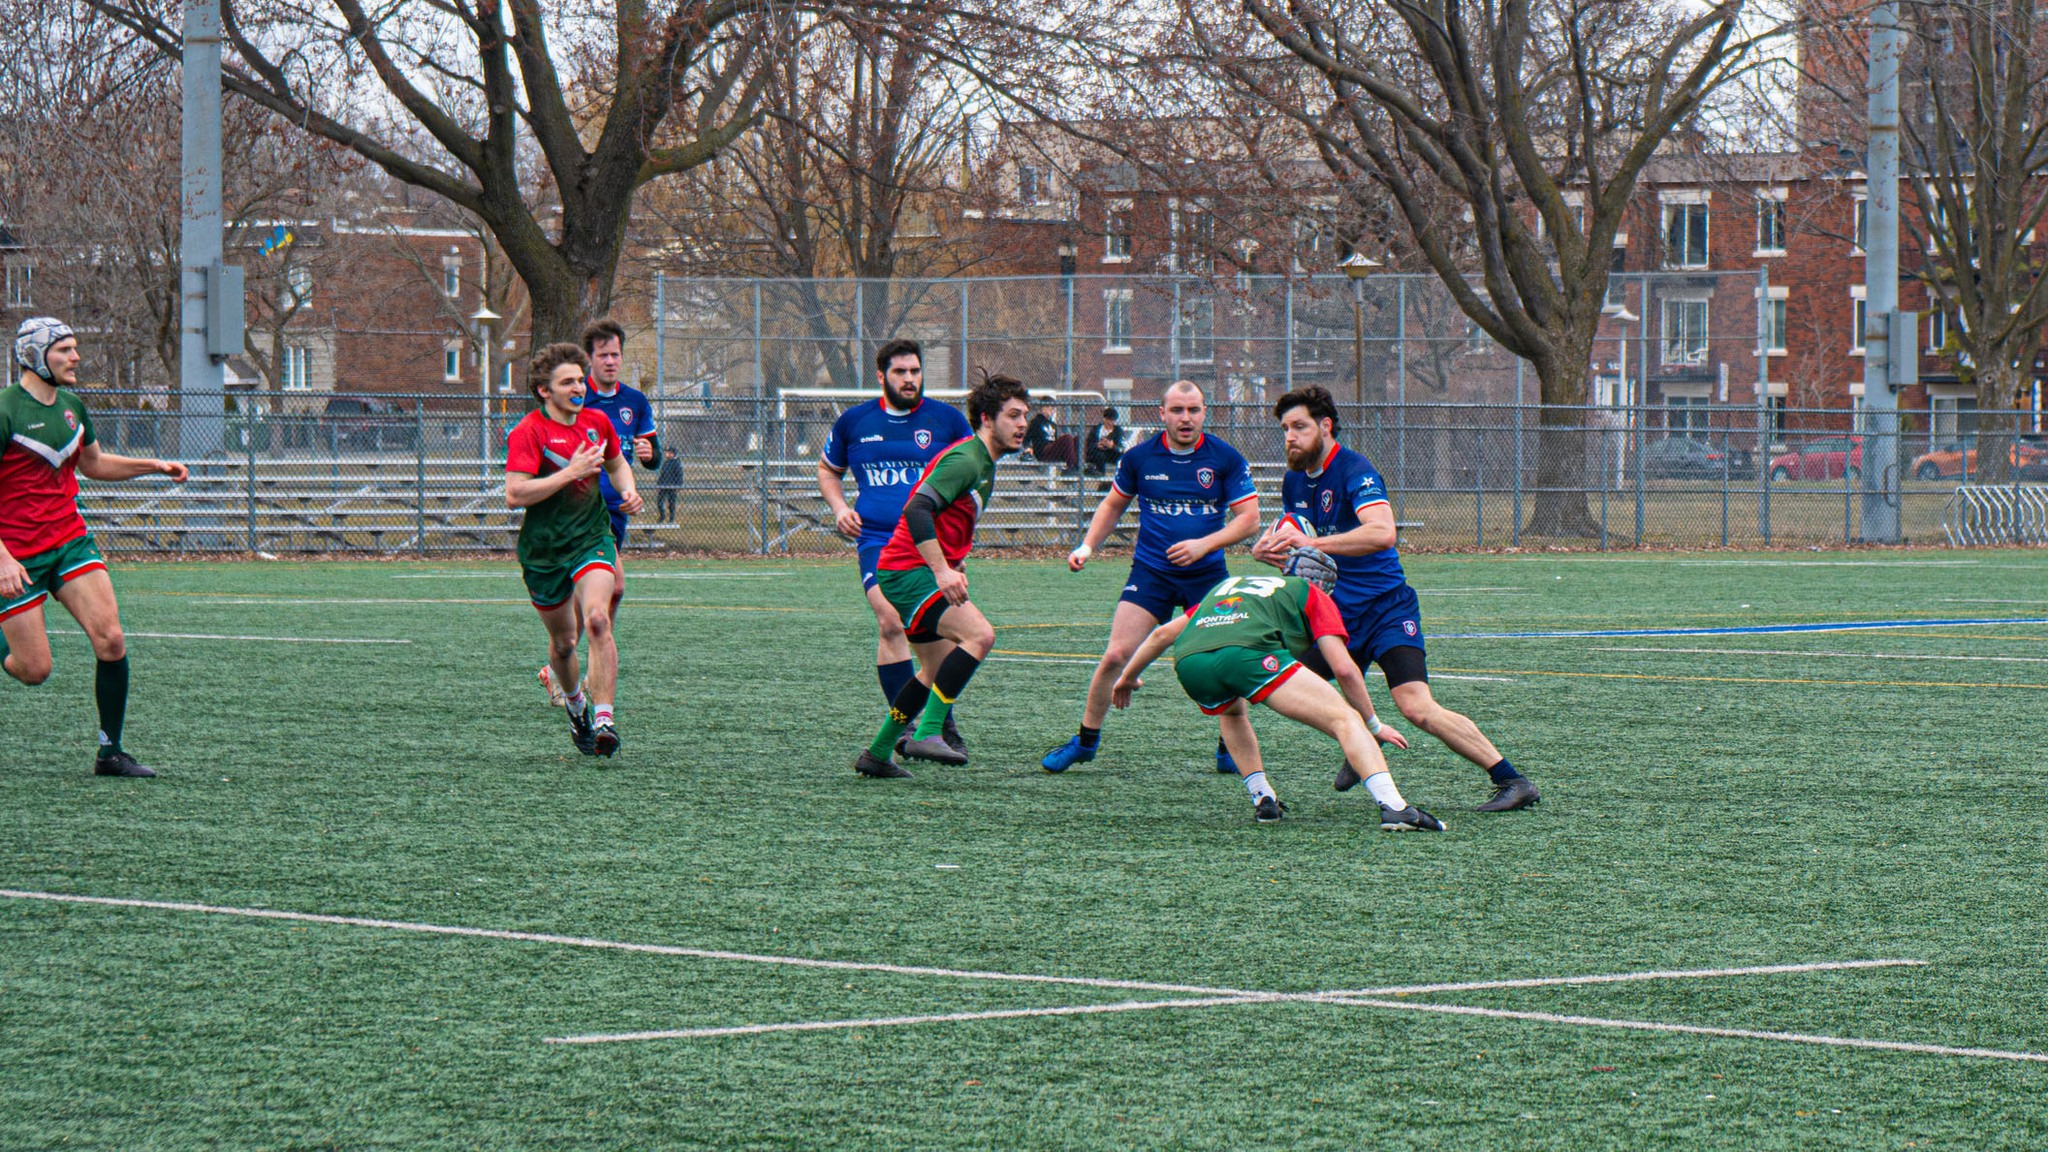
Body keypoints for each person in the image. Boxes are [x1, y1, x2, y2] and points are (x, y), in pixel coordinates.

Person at [1252, 386, 1539, 811]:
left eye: (1299, 427)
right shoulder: (1294, 479)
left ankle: (1513, 781)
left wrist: (1314, 546)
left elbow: (1383, 532)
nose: (1290, 437)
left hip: (1387, 608)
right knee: (1281, 682)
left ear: (1325, 426)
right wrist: (1270, 551)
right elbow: (1302, 545)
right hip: (1337, 612)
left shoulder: (1355, 470)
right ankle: (1356, 740)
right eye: (1285, 429)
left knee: (1416, 707)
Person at [1042, 381, 1272, 775]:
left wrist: (1204, 544)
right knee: (1116, 654)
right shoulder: (1139, 458)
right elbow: (1113, 505)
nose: (1186, 418)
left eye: (1194, 410)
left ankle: (1227, 748)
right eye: (1178, 410)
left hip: (1207, 576)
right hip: (1151, 572)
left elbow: (1249, 519)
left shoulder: (1225, 458)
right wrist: (1087, 546)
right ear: (1161, 413)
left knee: (1226, 661)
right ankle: (1084, 741)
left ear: (1204, 412)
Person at [0, 317, 188, 777]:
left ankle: (111, 752)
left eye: (74, 348)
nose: (76, 357)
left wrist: (154, 465)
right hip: (15, 553)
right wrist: (2, 557)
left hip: (68, 541)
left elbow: (95, 464)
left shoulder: (72, 406)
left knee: (112, 639)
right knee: (34, 669)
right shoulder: (5, 409)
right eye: (64, 348)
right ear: (33, 356)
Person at [1111, 570, 1442, 830]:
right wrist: (1373, 723)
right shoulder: (1312, 593)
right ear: (1324, 583)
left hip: (1190, 663)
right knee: (1347, 719)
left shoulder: (1230, 586)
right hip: (1248, 655)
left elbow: (1161, 635)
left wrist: (1127, 677)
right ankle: (1394, 807)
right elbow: (1344, 669)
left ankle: (1263, 798)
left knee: (1232, 713)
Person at [853, 371, 1032, 779]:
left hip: (911, 570)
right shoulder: (967, 458)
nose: (1023, 424)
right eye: (1013, 415)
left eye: (1025, 415)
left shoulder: (984, 462)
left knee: (933, 668)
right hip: (907, 571)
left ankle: (879, 753)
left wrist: (952, 560)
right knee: (980, 635)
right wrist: (940, 569)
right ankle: (929, 730)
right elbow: (917, 509)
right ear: (987, 419)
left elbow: (946, 516)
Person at [818, 339, 974, 755]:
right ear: (881, 375)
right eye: (901, 372)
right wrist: (839, 507)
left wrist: (955, 553)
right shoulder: (854, 422)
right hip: (877, 541)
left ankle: (939, 722)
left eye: (916, 371)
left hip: (930, 545)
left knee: (933, 632)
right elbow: (828, 470)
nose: (910, 379)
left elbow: (968, 481)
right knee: (891, 622)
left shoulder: (947, 421)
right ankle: (904, 727)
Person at [506, 342, 643, 759]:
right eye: (568, 382)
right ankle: (575, 705)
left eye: (581, 380)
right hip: (544, 550)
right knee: (565, 643)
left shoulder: (597, 422)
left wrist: (629, 489)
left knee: (599, 619)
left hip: (591, 537)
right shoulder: (529, 431)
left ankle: (605, 719)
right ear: (543, 390)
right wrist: (570, 473)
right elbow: (515, 494)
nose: (579, 387)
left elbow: (617, 463)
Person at [538, 318, 657, 708]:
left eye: (616, 354)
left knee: (604, 597)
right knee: (609, 590)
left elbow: (652, 456)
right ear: (590, 360)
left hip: (615, 514)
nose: (611, 361)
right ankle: (578, 668)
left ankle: (562, 667)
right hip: (579, 514)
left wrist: (648, 458)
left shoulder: (635, 402)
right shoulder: (573, 397)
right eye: (603, 355)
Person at [1023, 397, 1077, 469]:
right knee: (1068, 437)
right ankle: (1071, 467)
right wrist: (1028, 448)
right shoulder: (1036, 422)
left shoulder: (1053, 424)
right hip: (1043, 452)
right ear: (1043, 408)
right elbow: (1026, 438)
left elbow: (1055, 439)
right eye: (1050, 407)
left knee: (1077, 439)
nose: (1053, 410)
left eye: (1054, 408)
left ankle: (1078, 467)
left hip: (1053, 450)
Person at [1084, 406, 1125, 473]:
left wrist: (1112, 446)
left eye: (1114, 420)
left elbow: (1121, 448)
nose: (1112, 423)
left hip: (1112, 453)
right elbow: (1089, 443)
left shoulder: (1118, 431)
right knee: (1098, 454)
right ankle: (1100, 472)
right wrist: (1097, 445)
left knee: (1121, 456)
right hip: (1097, 453)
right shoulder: (1096, 429)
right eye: (1110, 420)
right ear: (1104, 419)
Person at [655, 446, 683, 522]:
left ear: (672, 454)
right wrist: (658, 485)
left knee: (671, 503)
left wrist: (678, 486)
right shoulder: (666, 462)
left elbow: (680, 475)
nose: (666, 454)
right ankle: (662, 515)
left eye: (668, 452)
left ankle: (671, 519)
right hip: (663, 485)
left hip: (672, 486)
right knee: (659, 502)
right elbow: (662, 475)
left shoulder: (677, 463)